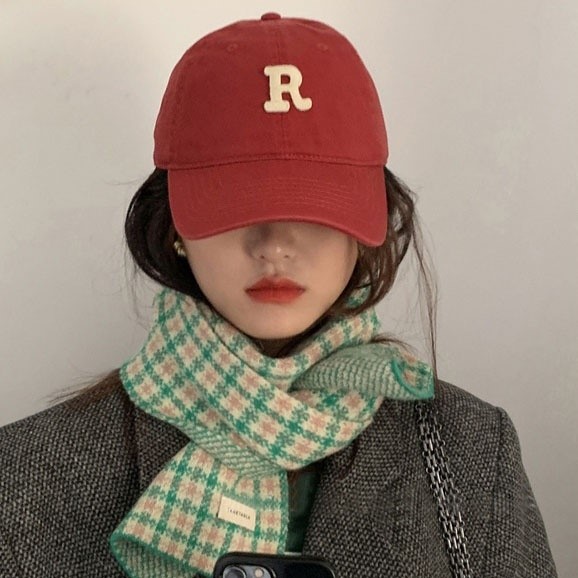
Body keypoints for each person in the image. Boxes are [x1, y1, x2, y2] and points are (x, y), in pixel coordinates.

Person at [0, 12, 557, 578]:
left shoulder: (472, 452)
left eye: (313, 206)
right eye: (234, 203)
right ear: (174, 226)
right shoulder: (26, 477)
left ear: (368, 224)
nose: (274, 247)